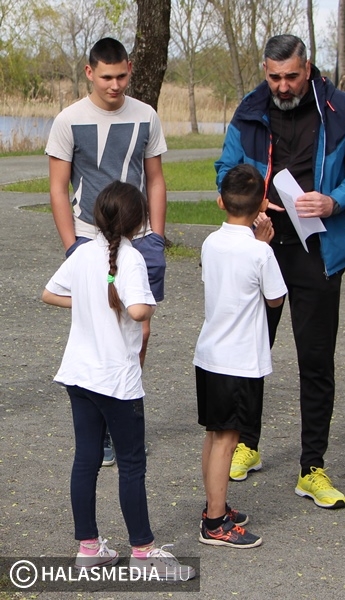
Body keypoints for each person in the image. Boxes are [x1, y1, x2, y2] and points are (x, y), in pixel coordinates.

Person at [216, 34, 345, 507]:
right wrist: (246, 203)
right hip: (260, 244)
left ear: (308, 68)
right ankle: (247, 444)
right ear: (265, 72)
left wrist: (334, 201)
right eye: (275, 77)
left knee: (316, 360)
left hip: (318, 249)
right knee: (250, 352)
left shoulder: (343, 109)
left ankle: (312, 468)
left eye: (291, 76)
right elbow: (225, 168)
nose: (283, 86)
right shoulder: (250, 109)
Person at [42, 181, 195, 579]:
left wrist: (90, 301)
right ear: (139, 221)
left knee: (86, 460)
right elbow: (140, 310)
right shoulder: (131, 258)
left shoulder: (82, 253)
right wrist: (138, 305)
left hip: (79, 374)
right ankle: (143, 552)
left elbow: (49, 293)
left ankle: (88, 548)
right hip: (116, 381)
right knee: (131, 465)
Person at [45, 37, 167, 466]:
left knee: (140, 330)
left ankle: (123, 417)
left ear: (130, 69)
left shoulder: (146, 115)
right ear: (90, 73)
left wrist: (156, 236)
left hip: (139, 238)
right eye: (106, 77)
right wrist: (72, 246)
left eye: (121, 76)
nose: (115, 85)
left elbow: (155, 179)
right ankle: (99, 427)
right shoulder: (68, 120)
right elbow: (58, 188)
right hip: (89, 237)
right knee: (99, 332)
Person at [194, 164, 287, 548]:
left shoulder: (210, 242)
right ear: (263, 204)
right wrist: (263, 245)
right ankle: (216, 523)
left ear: (221, 201)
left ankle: (213, 506)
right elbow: (275, 298)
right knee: (228, 440)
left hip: (209, 354)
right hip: (239, 361)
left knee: (214, 434)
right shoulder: (260, 252)